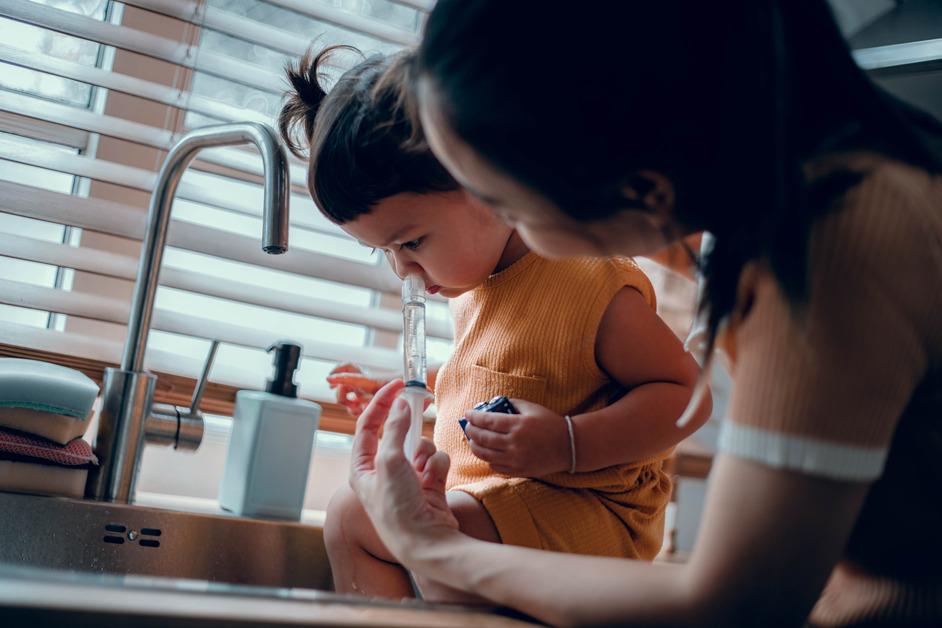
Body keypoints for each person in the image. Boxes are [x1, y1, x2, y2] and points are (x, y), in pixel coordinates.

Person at [347, 1, 942, 625]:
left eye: (503, 202)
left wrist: (429, 548)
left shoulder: (836, 250)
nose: (502, 226)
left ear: (638, 185)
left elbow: (735, 605)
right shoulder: (788, 209)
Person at [278, 48, 711, 601]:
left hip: (588, 517)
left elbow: (687, 394)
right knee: (348, 516)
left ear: (488, 182)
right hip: (494, 503)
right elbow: (513, 371)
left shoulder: (588, 281)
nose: (403, 271)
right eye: (383, 251)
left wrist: (569, 443)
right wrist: (421, 391)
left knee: (426, 543)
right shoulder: (473, 287)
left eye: (411, 242)